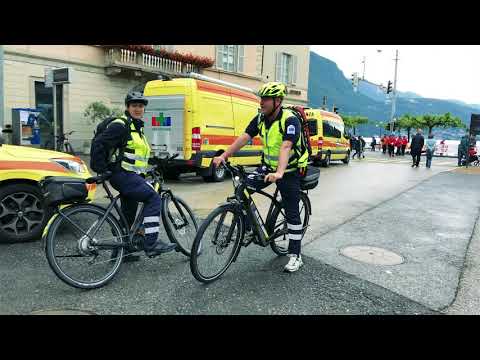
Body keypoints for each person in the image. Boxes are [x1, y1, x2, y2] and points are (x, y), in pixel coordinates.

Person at [212, 82, 309, 273]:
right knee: (242, 188)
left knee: (291, 212)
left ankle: (295, 255)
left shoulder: (290, 120)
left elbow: (286, 146)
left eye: (265, 99)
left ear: (277, 101)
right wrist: (224, 155)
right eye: (261, 98)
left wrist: (280, 172)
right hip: (268, 167)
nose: (261, 102)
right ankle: (248, 228)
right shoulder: (260, 118)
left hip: (289, 170)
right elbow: (244, 138)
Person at [91, 91, 177, 260]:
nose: (138, 109)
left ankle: (123, 252)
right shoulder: (121, 125)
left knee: (128, 213)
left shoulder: (137, 128)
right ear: (128, 107)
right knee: (153, 198)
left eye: (140, 106)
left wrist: (155, 162)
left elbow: (134, 153)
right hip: (123, 175)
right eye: (134, 106)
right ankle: (151, 243)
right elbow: (99, 143)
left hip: (131, 175)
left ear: (144, 108)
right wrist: (101, 170)